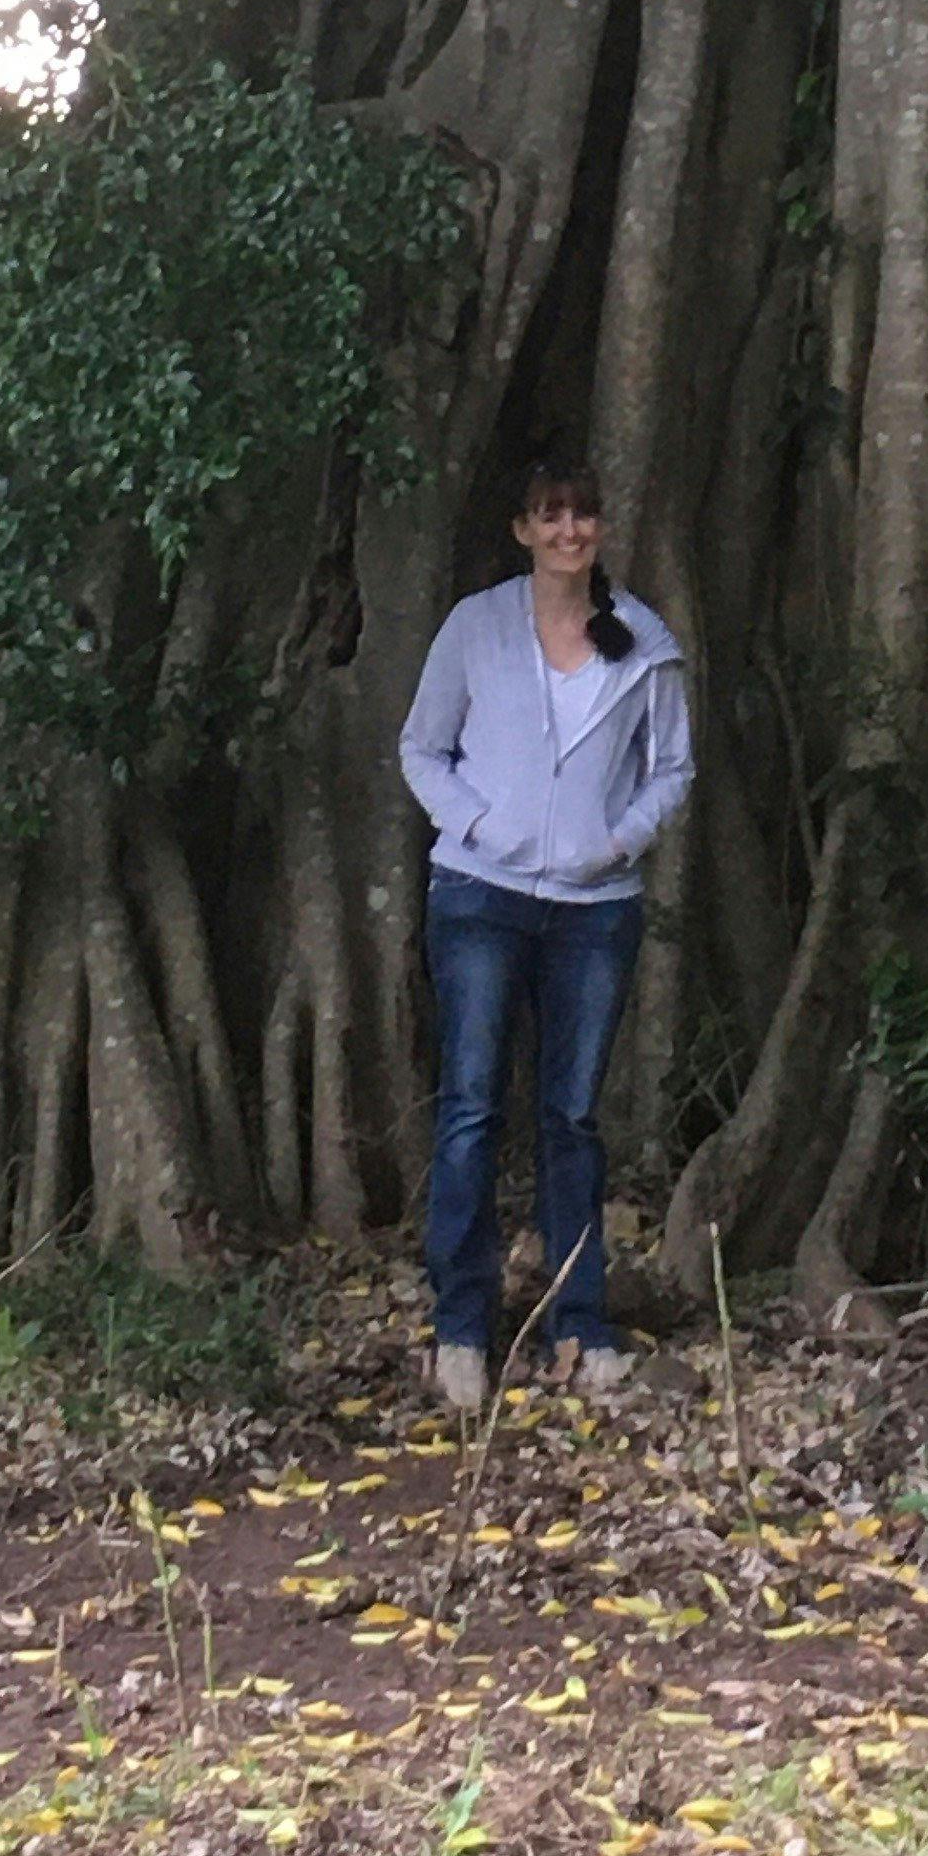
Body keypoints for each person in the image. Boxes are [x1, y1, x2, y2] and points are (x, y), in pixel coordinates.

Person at [397, 453, 693, 1413]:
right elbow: (422, 747)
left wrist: (616, 839)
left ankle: (581, 1323)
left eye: (584, 516)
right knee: (473, 1107)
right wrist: (483, 826)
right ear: (523, 529)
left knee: (570, 1118)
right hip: (481, 894)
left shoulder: (641, 640)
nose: (569, 531)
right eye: (550, 515)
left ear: (600, 528)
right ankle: (462, 1328)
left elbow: (672, 769)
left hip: (594, 910)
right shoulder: (476, 628)